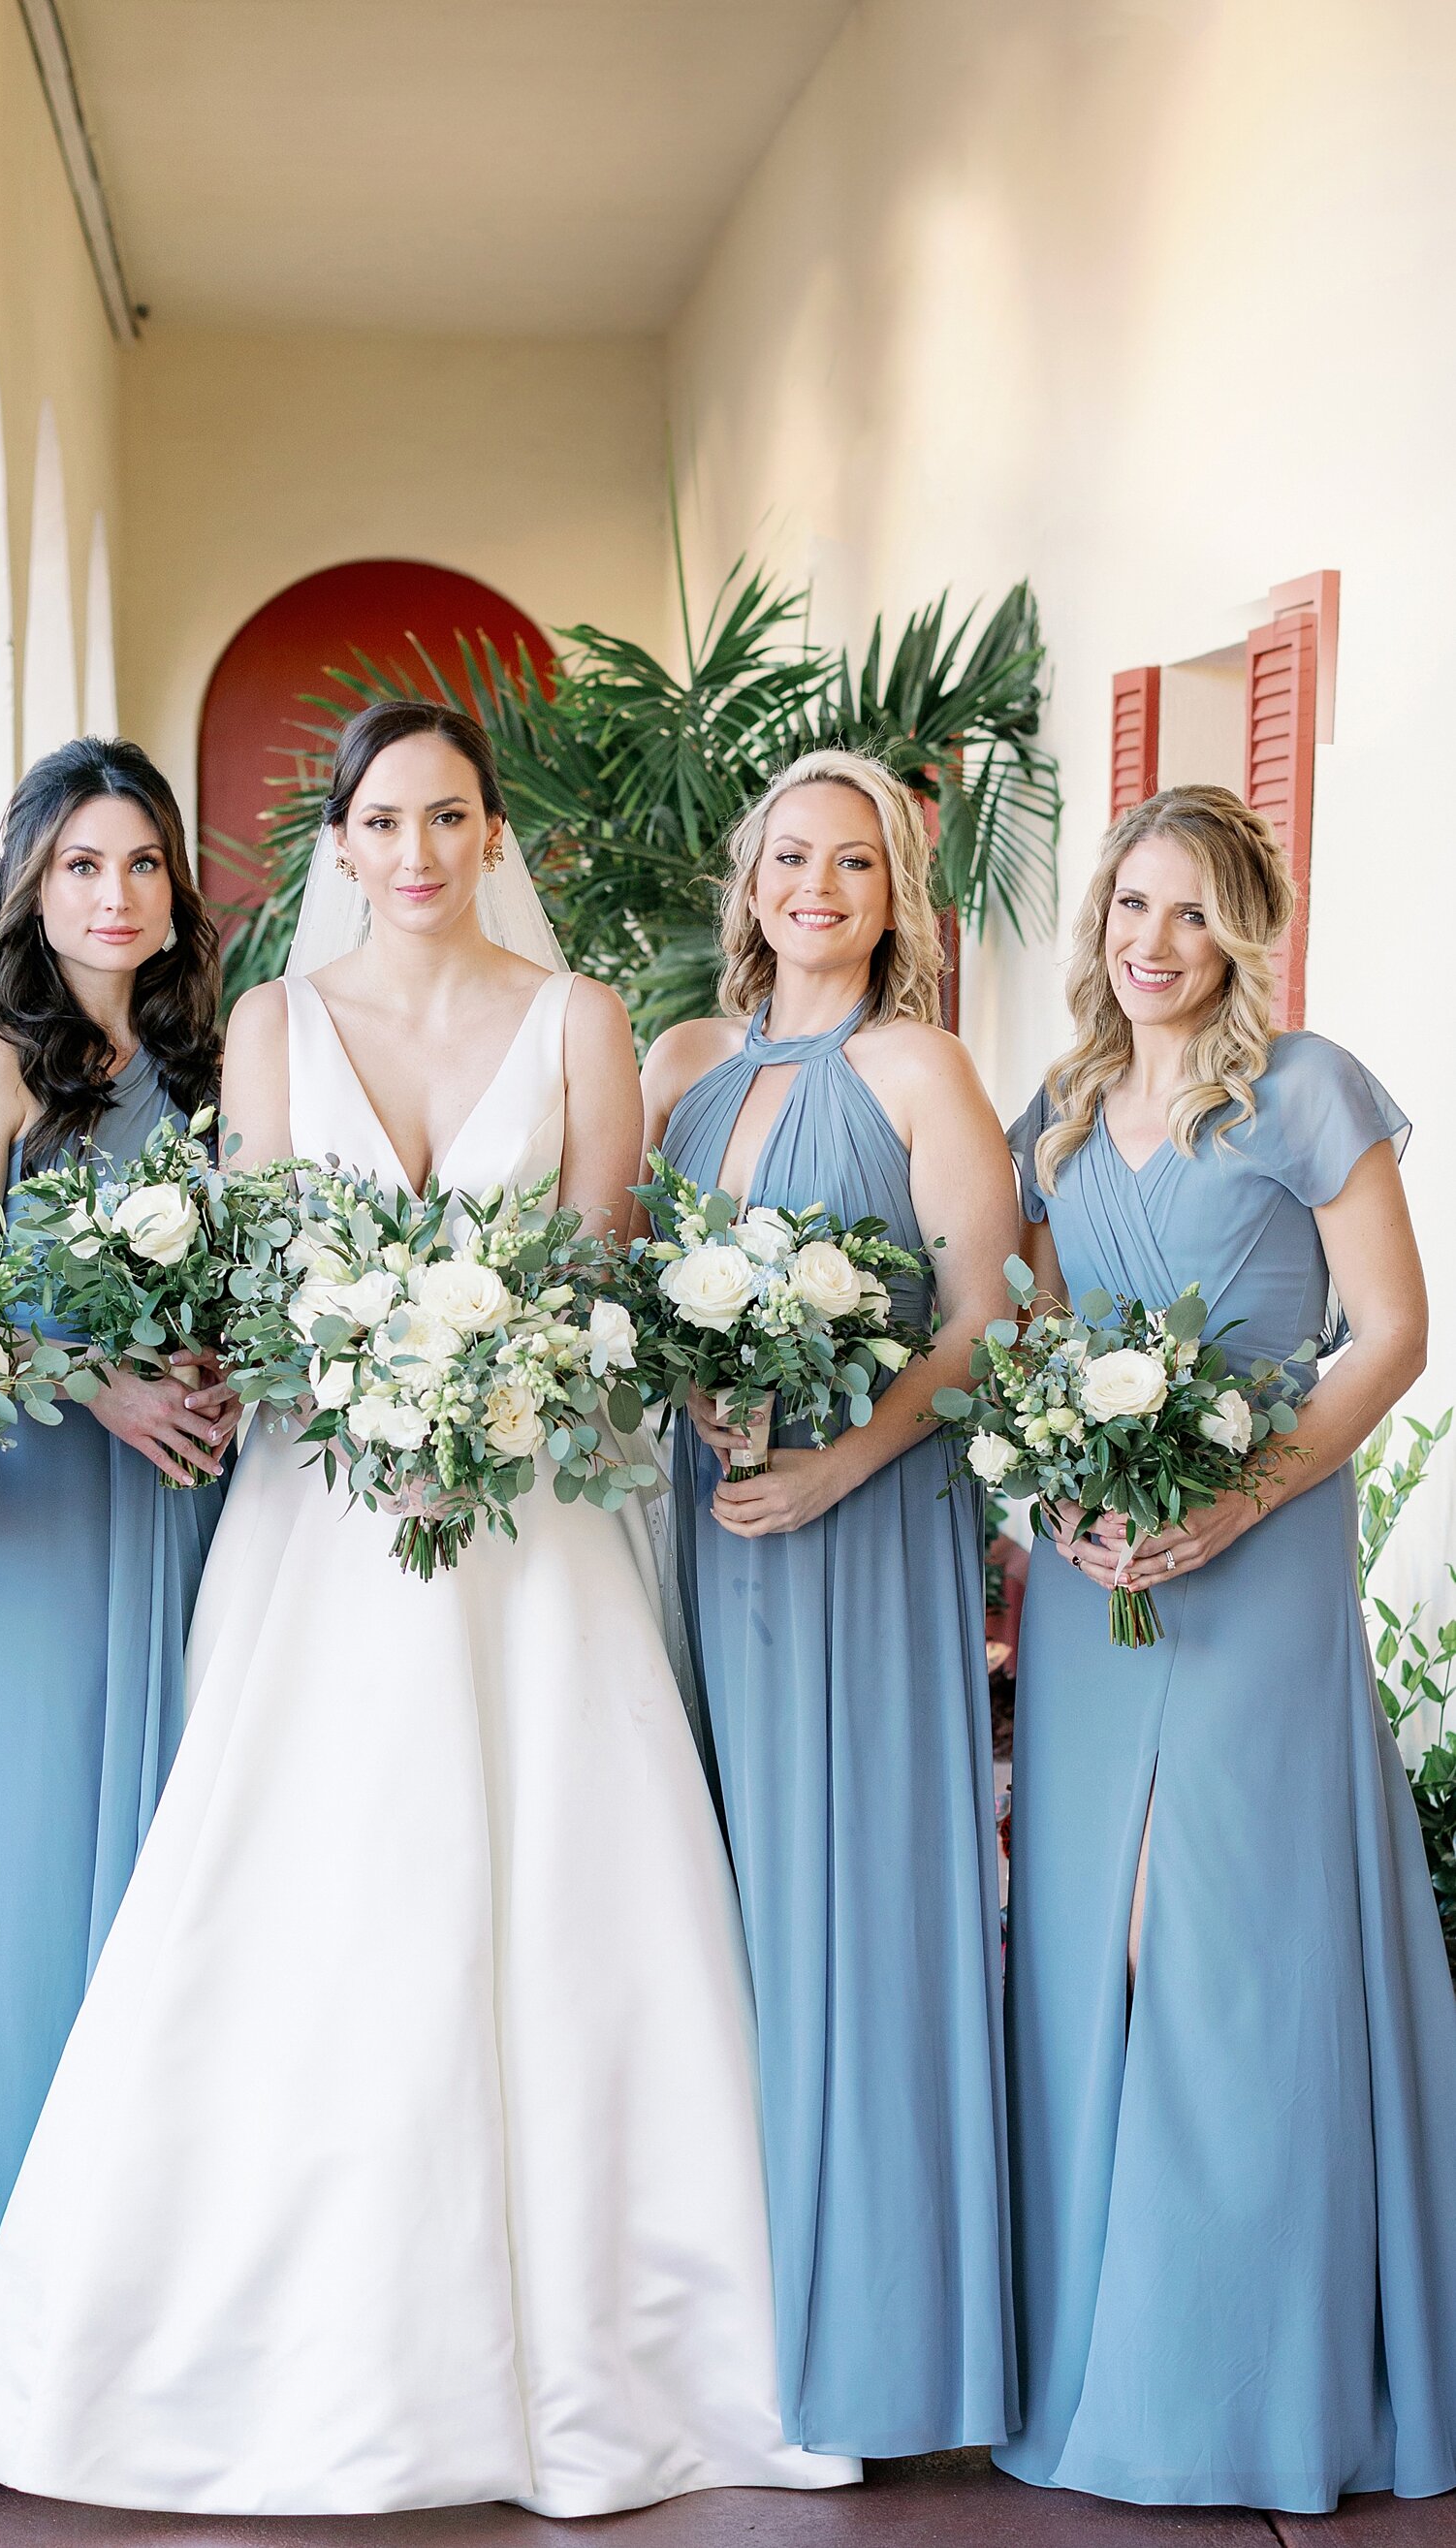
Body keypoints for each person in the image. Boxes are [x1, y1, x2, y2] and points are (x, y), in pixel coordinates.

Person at [0, 699, 856, 2517]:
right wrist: (369, 1386)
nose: (415, 854)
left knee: (568, 1895)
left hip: (533, 1528)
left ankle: (633, 2353)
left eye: (448, 819)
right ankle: (272, 2350)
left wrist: (491, 1386)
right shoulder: (269, 1024)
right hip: (325, 1522)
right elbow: (272, 1270)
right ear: (336, 848)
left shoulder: (583, 1023)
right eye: (382, 824)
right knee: (306, 1884)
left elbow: (596, 1276)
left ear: (494, 835)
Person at [997, 783, 1456, 2512]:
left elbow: (1394, 1334)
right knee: (1090, 1953)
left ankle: (1245, 2394)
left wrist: (1238, 1500)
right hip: (1100, 1580)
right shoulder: (1060, 1109)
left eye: (1190, 911)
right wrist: (1063, 1490)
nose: (1152, 942)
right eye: (1130, 905)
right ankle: (1102, 2369)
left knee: (1225, 1960)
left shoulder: (1309, 1089)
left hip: (1256, 1571)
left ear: (1244, 927)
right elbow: (1036, 1339)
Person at [641, 748, 1019, 2459]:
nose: (816, 888)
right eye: (790, 857)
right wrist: (699, 1396)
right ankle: (724, 2325)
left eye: (852, 864)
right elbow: (627, 1283)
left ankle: (877, 2343)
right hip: (709, 1521)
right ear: (750, 881)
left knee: (856, 1897)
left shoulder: (926, 1067)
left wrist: (836, 1462)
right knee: (707, 1892)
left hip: (867, 1530)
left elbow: (982, 1322)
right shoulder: (679, 1066)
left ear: (894, 895)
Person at [0, 737, 234, 2477]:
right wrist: (107, 1391)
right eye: (84, 864)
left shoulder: (201, 1063)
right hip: (39, 1508)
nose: (116, 894)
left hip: (193, 1506)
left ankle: (149, 2345)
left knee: (176, 1876)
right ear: (32, 882)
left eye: (144, 866)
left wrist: (220, 1375)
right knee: (34, 1889)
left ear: (177, 890)